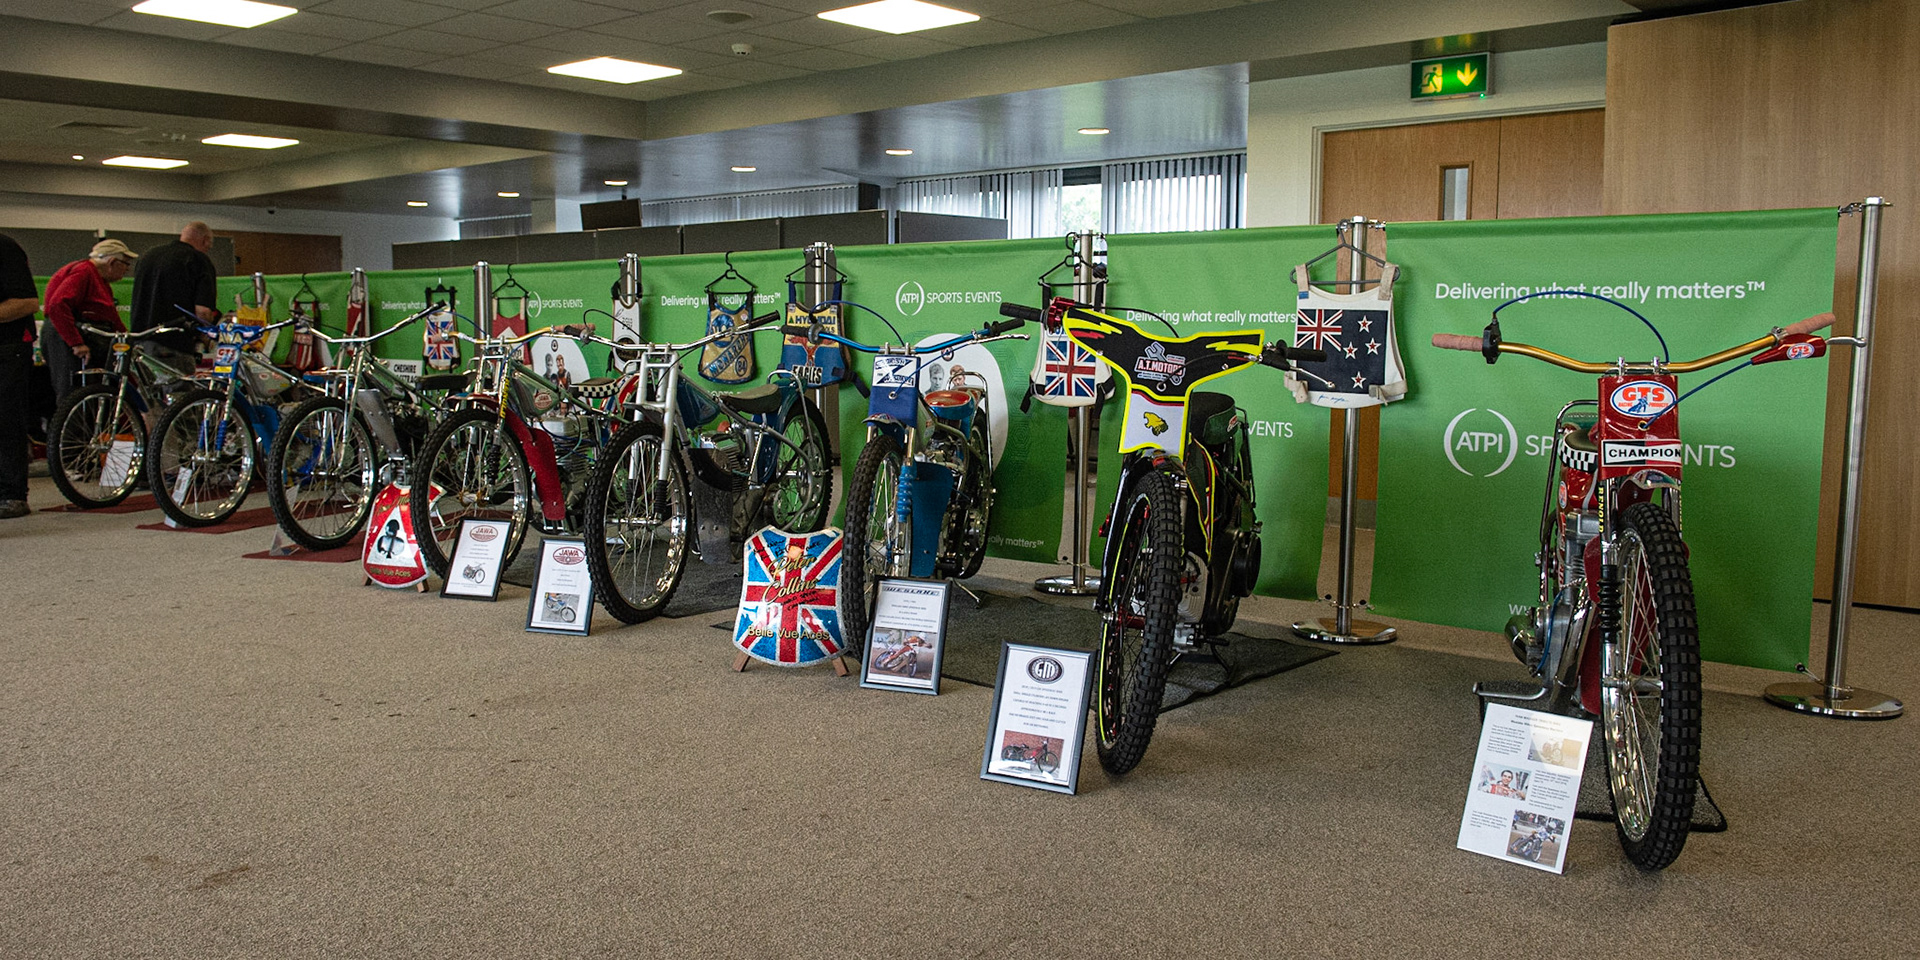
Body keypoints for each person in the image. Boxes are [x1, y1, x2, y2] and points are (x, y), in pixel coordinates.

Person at [41, 239, 137, 405]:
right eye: (126, 264)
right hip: (66, 335)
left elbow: (111, 318)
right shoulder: (83, 272)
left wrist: (129, 340)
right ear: (112, 262)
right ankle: (70, 431)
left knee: (90, 393)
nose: (127, 269)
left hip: (81, 335)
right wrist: (76, 343)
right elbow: (57, 306)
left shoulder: (100, 280)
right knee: (73, 394)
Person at [128, 221, 219, 374]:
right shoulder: (198, 260)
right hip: (173, 342)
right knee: (180, 393)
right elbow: (202, 312)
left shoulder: (148, 256)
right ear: (205, 241)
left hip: (140, 339)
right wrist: (208, 336)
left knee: (150, 394)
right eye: (208, 247)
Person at [0, 232, 43, 519]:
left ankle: (12, 494)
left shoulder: (4, 248)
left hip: (8, 346)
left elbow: (28, 302)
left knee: (6, 418)